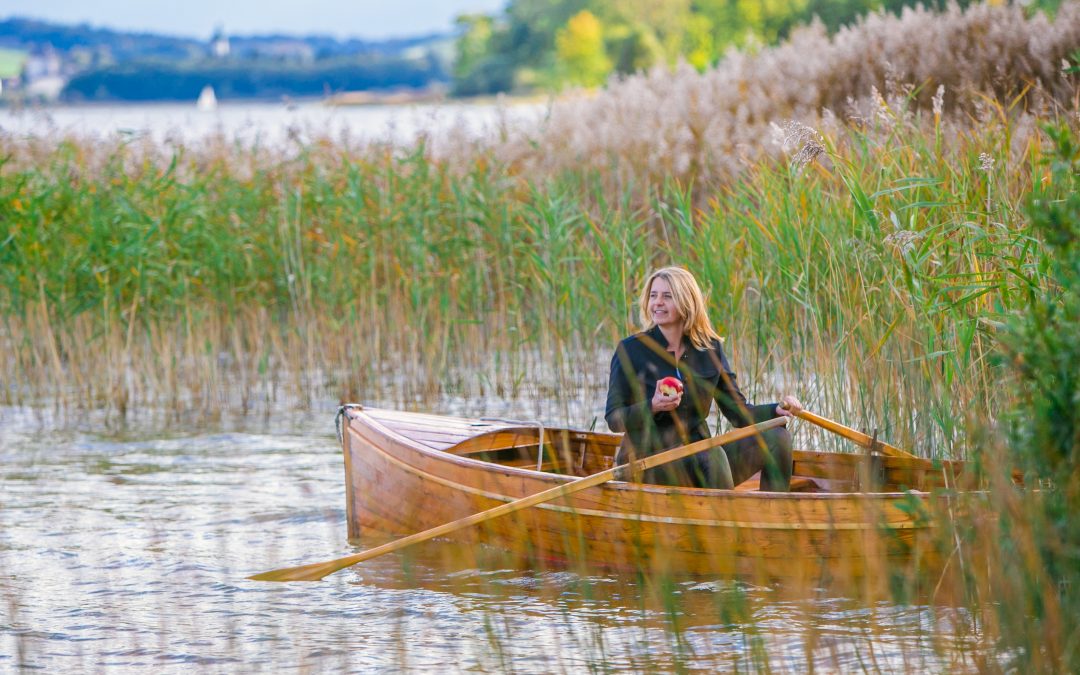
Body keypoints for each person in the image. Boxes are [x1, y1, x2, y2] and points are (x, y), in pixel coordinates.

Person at [605, 266, 802, 490]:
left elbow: (738, 413)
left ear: (687, 303)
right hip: (648, 465)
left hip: (701, 459)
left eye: (667, 296)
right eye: (653, 295)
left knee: (777, 437)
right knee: (712, 453)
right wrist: (653, 406)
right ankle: (723, 523)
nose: (657, 302)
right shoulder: (630, 350)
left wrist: (776, 409)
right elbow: (614, 419)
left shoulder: (709, 349)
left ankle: (772, 517)